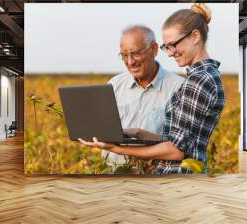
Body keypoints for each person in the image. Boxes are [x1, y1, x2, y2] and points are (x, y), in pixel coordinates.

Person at [81, 4, 225, 175]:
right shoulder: (204, 76)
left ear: (195, 36)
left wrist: (118, 149)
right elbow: (183, 141)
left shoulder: (198, 81)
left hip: (177, 178)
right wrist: (136, 133)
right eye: (167, 47)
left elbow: (177, 150)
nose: (170, 53)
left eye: (173, 45)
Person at [102, 25, 184, 164]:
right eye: (124, 55)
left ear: (154, 49)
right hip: (112, 174)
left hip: (156, 179)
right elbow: (102, 129)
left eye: (135, 53)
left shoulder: (179, 88)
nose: (130, 61)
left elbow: (181, 144)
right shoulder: (114, 85)